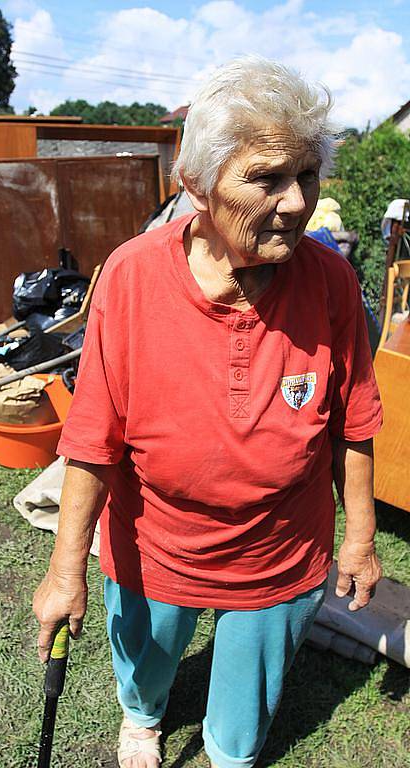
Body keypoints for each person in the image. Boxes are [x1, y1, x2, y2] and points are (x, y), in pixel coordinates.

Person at [33, 56, 383, 768]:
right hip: (156, 541)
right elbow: (94, 434)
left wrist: (361, 539)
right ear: (197, 184)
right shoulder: (132, 276)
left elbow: (354, 418)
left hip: (279, 549)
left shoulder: (332, 281)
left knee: (241, 725)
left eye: (307, 176)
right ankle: (143, 717)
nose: (294, 201)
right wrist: (67, 567)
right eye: (266, 177)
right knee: (146, 665)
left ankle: (227, 753)